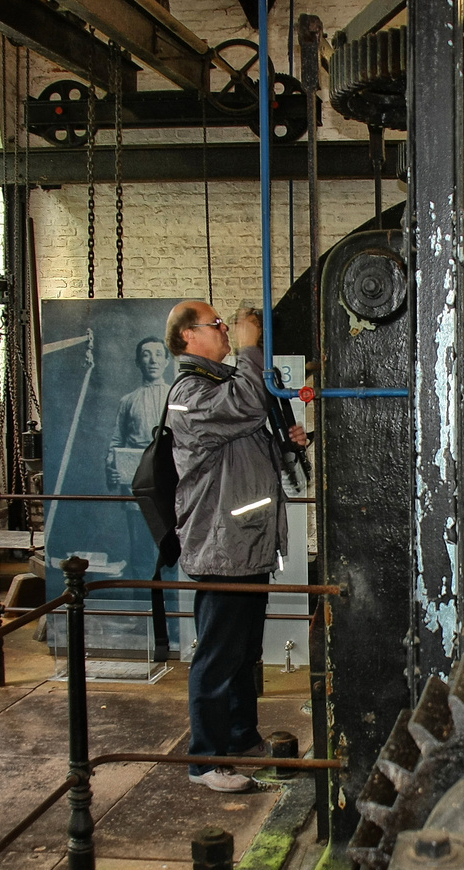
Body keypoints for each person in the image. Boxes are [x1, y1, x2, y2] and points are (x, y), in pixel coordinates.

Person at [165, 301, 309, 792]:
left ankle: (243, 739)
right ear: (188, 336)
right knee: (217, 655)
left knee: (244, 651)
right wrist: (250, 348)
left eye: (227, 325)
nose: (226, 330)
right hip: (222, 544)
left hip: (246, 543)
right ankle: (205, 760)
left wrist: (288, 442)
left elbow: (248, 437)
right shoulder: (189, 395)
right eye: (216, 325)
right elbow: (245, 406)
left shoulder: (221, 385)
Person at [106, 337, 171, 578]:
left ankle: (173, 610)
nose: (152, 359)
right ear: (137, 362)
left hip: (171, 487)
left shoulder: (177, 397)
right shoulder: (128, 401)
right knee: (141, 551)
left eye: (157, 354)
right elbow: (116, 442)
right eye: (146, 354)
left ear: (166, 361)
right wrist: (113, 470)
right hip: (139, 488)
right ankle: (144, 610)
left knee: (172, 551)